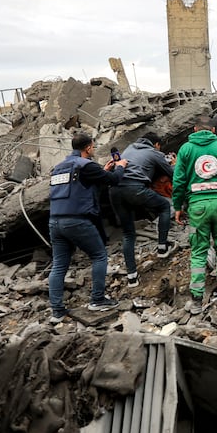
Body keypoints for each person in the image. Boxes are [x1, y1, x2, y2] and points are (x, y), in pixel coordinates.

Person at [47, 132, 128, 323]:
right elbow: (114, 181)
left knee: (59, 265)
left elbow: (81, 186)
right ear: (89, 148)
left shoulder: (58, 168)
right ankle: (97, 299)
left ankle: (57, 311)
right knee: (99, 255)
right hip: (76, 220)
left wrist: (104, 171)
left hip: (54, 222)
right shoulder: (86, 165)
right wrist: (120, 167)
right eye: (93, 146)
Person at [172, 115, 217, 314]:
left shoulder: (186, 149)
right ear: (213, 130)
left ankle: (196, 300)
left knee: (199, 251)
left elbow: (178, 181)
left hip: (197, 207)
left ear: (195, 129)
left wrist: (177, 206)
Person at [109, 132, 176, 287]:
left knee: (128, 233)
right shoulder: (154, 152)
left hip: (114, 191)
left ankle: (132, 277)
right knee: (165, 206)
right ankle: (162, 247)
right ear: (157, 144)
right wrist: (173, 163)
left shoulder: (128, 149)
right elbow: (173, 174)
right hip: (134, 188)